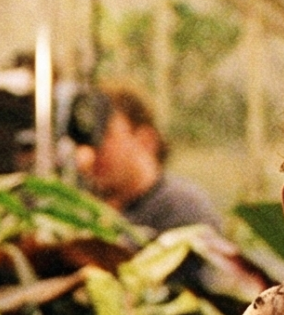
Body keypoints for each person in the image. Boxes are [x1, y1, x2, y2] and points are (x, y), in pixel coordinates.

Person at [71, 82, 227, 234]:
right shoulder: (91, 211)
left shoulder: (183, 211)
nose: (89, 155)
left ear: (146, 141)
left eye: (105, 136)